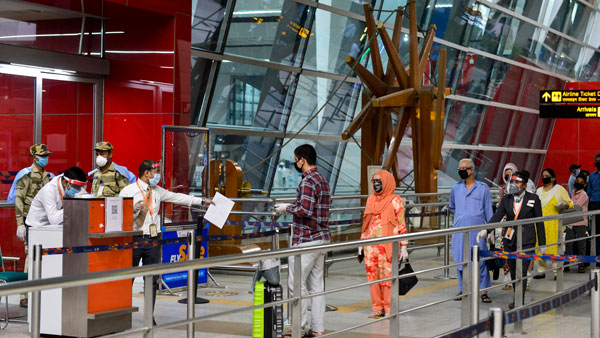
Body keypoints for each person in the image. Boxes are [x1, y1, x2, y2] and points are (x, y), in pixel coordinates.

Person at [119, 160, 212, 322]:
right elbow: (119, 214)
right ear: (147, 173)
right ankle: (120, 314)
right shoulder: (128, 191)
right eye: (156, 172)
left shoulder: (157, 191)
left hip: (154, 239)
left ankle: (149, 316)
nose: (158, 175)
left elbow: (177, 197)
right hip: (134, 239)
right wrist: (133, 209)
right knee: (127, 279)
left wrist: (202, 201)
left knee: (152, 280)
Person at [273, 144, 330, 338]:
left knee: (296, 284)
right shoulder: (322, 179)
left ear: (302, 160)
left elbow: (304, 210)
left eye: (296, 159)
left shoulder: (307, 181)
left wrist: (286, 207)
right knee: (317, 286)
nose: (295, 163)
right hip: (322, 238)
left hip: (306, 240)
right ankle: (317, 329)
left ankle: (298, 328)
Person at [488, 171, 546, 309]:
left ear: (524, 185)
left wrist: (542, 244)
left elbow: (539, 222)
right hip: (510, 240)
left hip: (527, 239)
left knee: (523, 270)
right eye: (512, 181)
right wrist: (487, 229)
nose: (514, 184)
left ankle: (519, 301)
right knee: (514, 272)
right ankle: (517, 296)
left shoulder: (534, 199)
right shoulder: (506, 199)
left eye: (517, 182)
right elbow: (498, 216)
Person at [7, 144, 54, 308]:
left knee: (44, 255)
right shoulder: (25, 175)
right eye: (42, 155)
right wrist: (20, 223)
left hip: (46, 222)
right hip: (30, 221)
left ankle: (41, 291)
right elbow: (18, 199)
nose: (45, 158)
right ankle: (24, 295)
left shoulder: (49, 176)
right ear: (34, 157)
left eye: (47, 155)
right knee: (30, 256)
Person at [360, 170, 409, 318]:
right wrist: (360, 244)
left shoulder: (395, 200)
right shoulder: (370, 200)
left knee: (388, 278)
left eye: (379, 181)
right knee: (373, 277)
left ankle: (389, 308)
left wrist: (404, 247)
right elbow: (366, 223)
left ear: (386, 182)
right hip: (370, 246)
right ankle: (377, 307)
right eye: (374, 181)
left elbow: (401, 224)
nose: (376, 184)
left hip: (388, 246)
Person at [449, 158, 493, 303]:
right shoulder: (455, 188)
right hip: (460, 231)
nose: (461, 171)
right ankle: (463, 289)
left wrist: (490, 230)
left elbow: (488, 210)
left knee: (480, 261)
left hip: (478, 232)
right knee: (460, 260)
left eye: (464, 168)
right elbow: (453, 206)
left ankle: (484, 291)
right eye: (459, 169)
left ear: (471, 170)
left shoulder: (483, 188)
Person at [535, 168, 573, 279]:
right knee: (540, 247)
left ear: (553, 178)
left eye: (546, 175)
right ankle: (541, 270)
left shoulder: (559, 189)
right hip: (540, 223)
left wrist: (564, 205)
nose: (544, 177)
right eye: (543, 175)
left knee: (554, 247)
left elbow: (570, 203)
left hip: (554, 224)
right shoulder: (538, 191)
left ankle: (556, 271)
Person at [566, 174, 588, 273]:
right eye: (577, 181)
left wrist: (566, 207)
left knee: (581, 245)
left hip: (580, 222)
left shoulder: (584, 195)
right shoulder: (572, 193)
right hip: (571, 222)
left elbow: (576, 206)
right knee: (568, 243)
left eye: (581, 182)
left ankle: (581, 265)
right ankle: (566, 264)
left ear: (585, 185)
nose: (578, 183)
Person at [588, 154, 600, 253]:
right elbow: (589, 191)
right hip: (594, 204)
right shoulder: (592, 176)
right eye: (597, 161)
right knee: (595, 231)